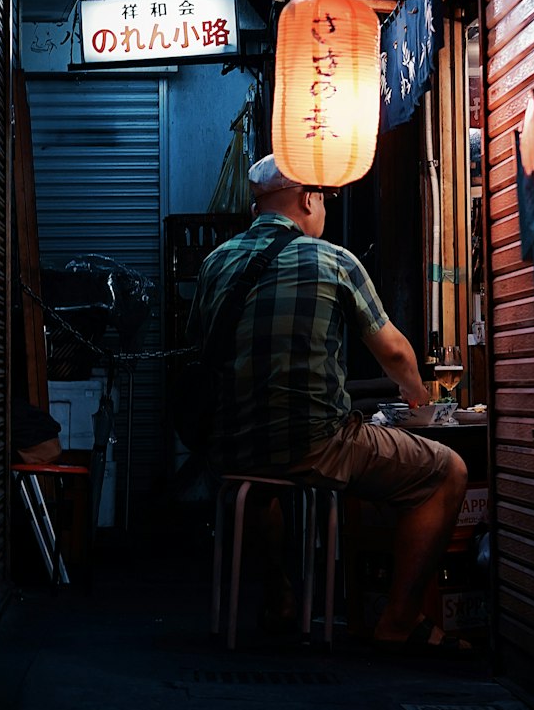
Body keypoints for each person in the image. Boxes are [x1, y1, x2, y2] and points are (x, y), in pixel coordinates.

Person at [186, 153, 470, 654]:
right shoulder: (334, 260)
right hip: (319, 447)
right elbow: (396, 352)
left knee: (264, 483)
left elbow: (196, 352)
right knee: (446, 472)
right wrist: (421, 401)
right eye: (324, 198)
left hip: (229, 451)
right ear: (308, 198)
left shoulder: (215, 263)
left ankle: (281, 599)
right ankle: (398, 620)